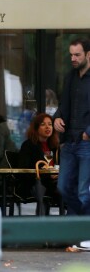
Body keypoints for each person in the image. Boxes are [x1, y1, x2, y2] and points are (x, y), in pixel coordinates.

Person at [53, 38, 90, 216]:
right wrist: (57, 118)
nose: (73, 58)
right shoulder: (70, 77)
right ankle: (81, 225)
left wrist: (88, 134)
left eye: (77, 55)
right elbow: (63, 106)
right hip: (69, 142)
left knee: (83, 191)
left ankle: (82, 234)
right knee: (63, 187)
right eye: (71, 55)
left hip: (86, 143)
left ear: (88, 55)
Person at [18, 113, 60, 214]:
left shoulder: (55, 147)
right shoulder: (28, 145)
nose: (47, 127)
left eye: (50, 124)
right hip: (34, 183)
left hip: (53, 182)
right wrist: (45, 172)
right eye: (43, 124)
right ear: (36, 128)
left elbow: (60, 165)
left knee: (68, 186)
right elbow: (23, 169)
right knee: (60, 188)